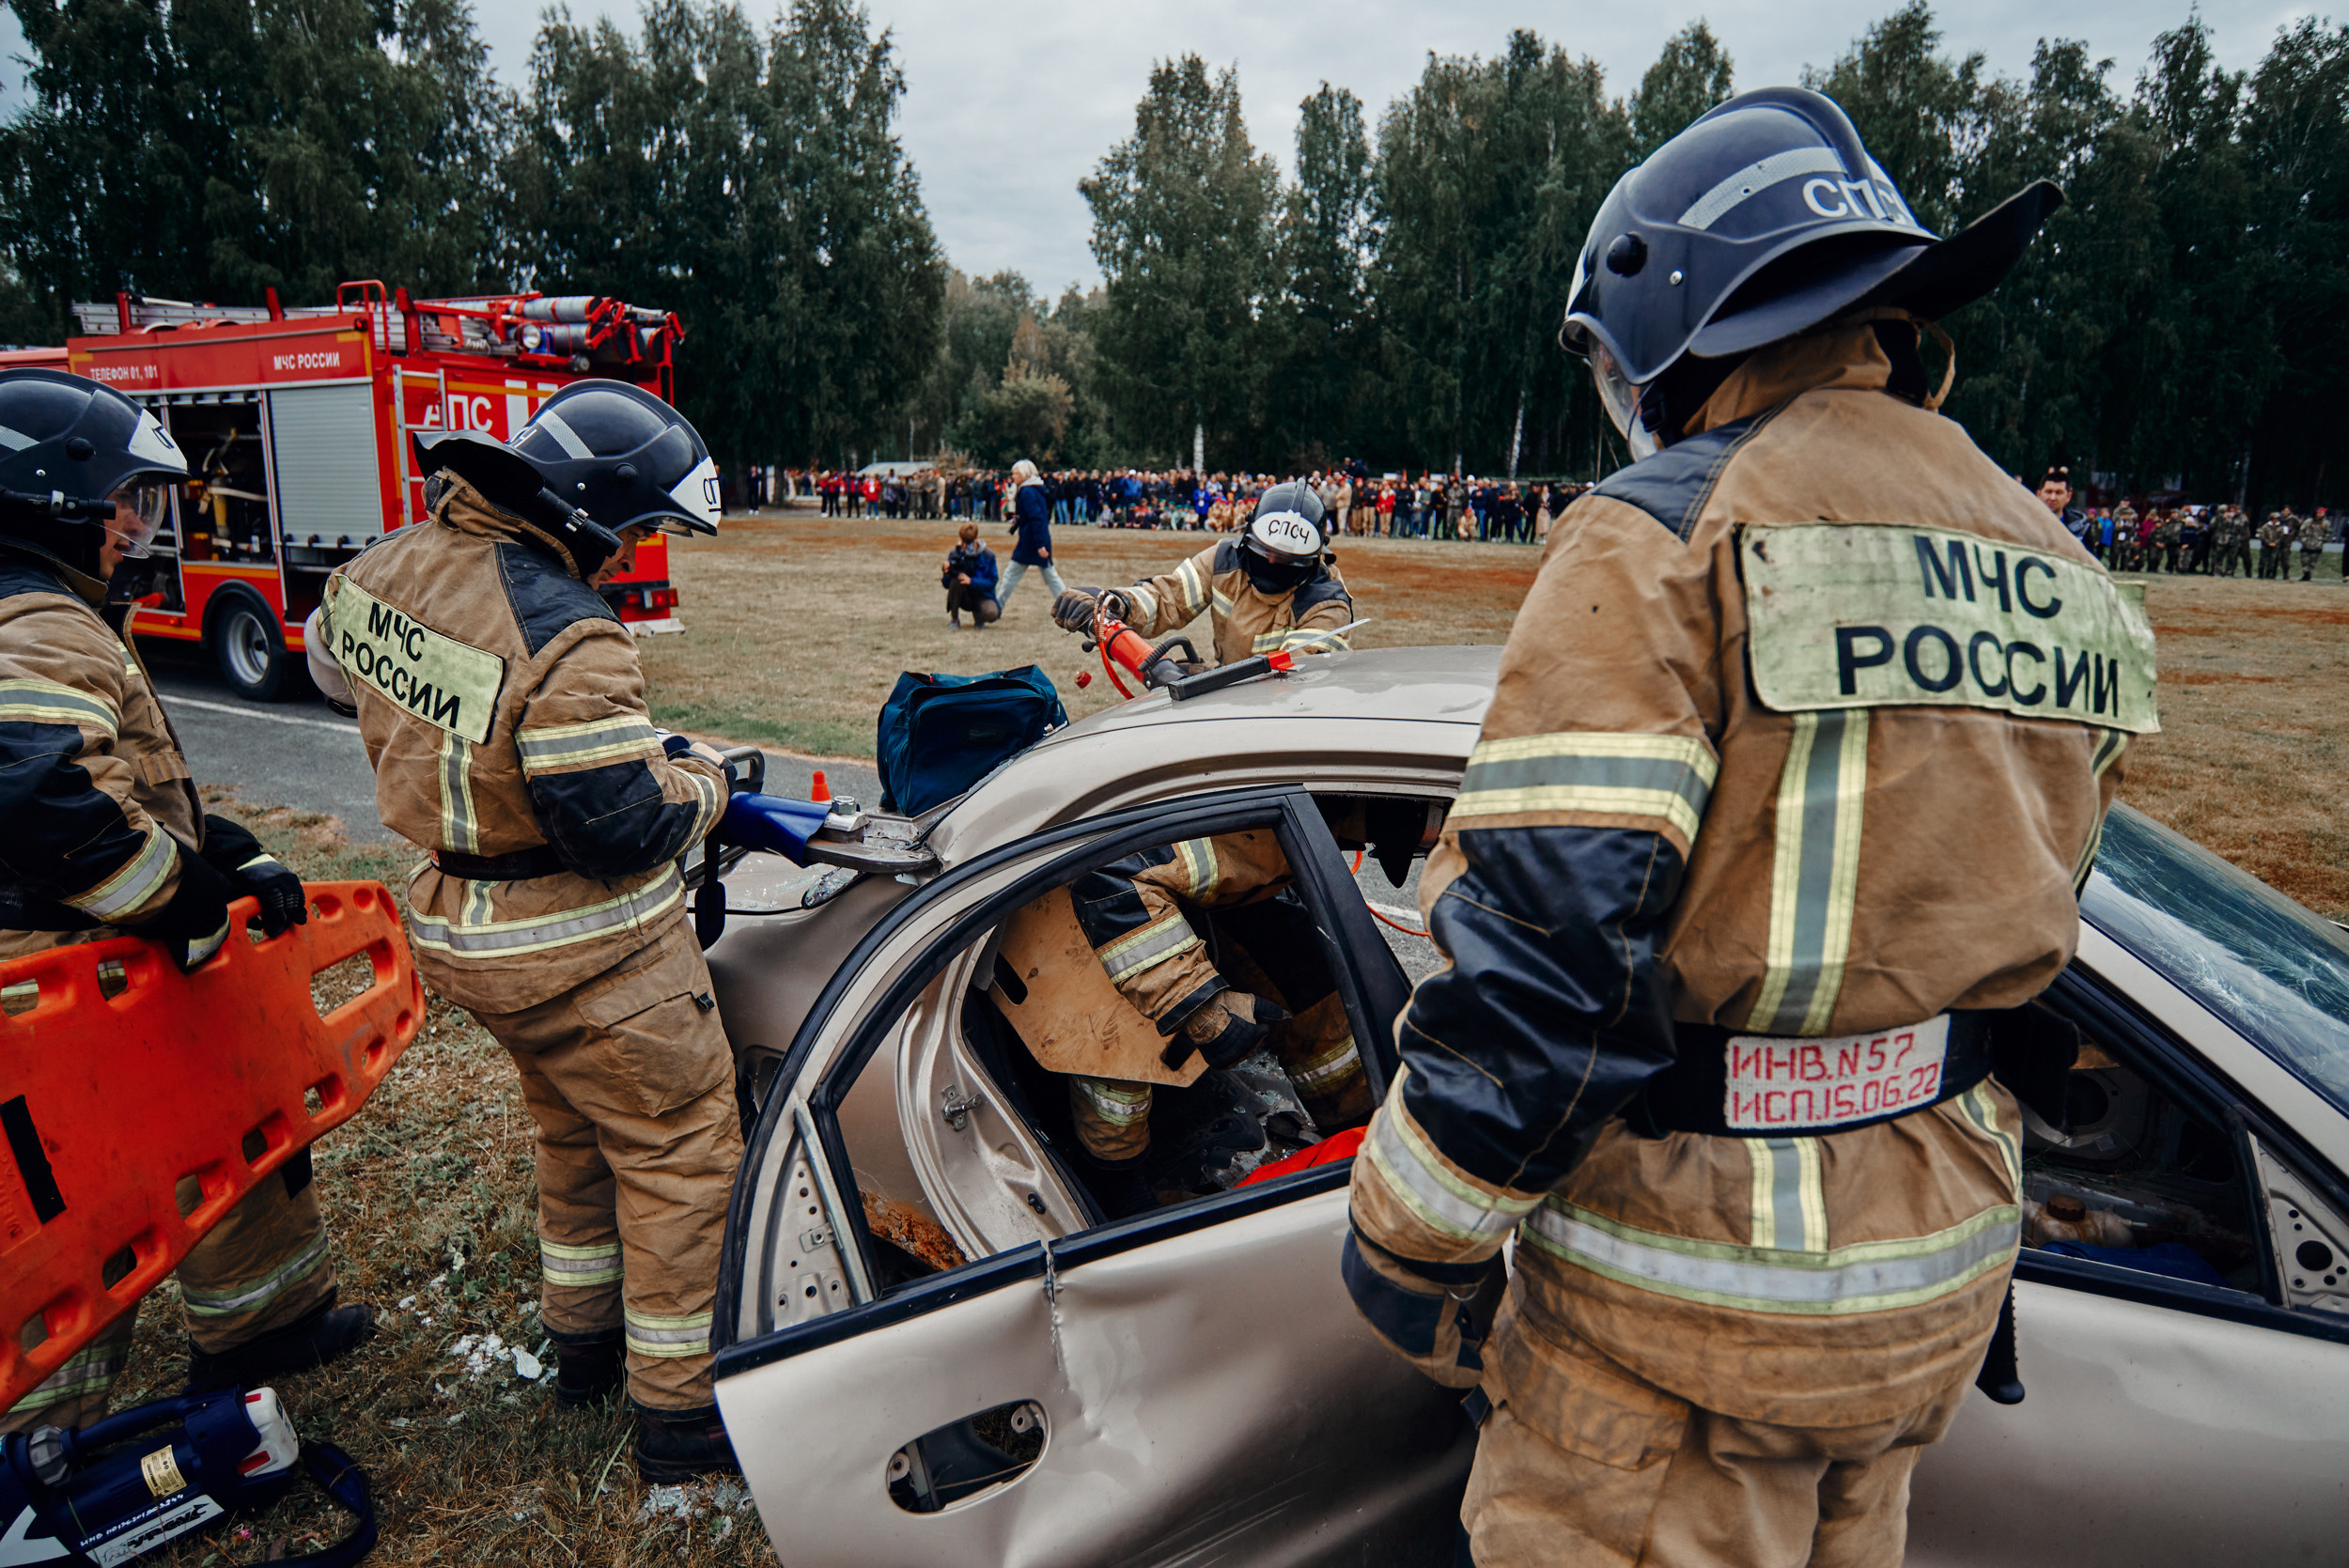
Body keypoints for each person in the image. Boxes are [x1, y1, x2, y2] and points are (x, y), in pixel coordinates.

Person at [1343, 87, 2152, 1565]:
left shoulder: (1659, 538)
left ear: (1679, 323)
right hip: (1933, 1293)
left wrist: (1406, 1237)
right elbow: (2041, 915)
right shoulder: (2063, 570)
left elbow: (1546, 970)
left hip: (1682, 1334)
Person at [304, 380, 742, 1483]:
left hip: (461, 926)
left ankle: (584, 1345)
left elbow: (329, 664)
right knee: (678, 1147)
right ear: (592, 509)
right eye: (640, 526)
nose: (636, 549)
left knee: (572, 1130)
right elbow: (623, 824)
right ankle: (683, 1413)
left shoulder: (381, 569)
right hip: (585, 949)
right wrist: (705, 782)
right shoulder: (573, 634)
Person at [0, 368, 372, 1433]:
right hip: (59, 982)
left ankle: (265, 1323)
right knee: (75, 1205)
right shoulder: (38, 622)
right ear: (51, 495)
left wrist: (226, 850)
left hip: (103, 967)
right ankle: (39, 1445)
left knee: (230, 1120)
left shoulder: (48, 610)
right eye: (122, 499)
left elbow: (117, 781)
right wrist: (183, 896)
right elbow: (45, 801)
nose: (134, 525)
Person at [997, 458, 1064, 610]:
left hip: (1031, 542)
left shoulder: (1027, 491)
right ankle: (1069, 606)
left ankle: (997, 607)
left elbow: (1037, 518)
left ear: (1024, 474)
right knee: (1051, 578)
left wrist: (1040, 545)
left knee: (1010, 576)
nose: (1012, 477)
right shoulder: (1034, 488)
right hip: (1036, 540)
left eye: (1015, 474)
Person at [942, 520, 999, 629]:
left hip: (982, 595)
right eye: (964, 541)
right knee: (956, 581)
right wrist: (947, 572)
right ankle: (954, 619)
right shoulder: (955, 553)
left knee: (992, 613)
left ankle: (979, 618)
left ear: (976, 538)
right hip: (964, 596)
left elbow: (992, 581)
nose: (966, 545)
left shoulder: (988, 555)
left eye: (969, 542)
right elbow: (946, 585)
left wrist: (971, 581)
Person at [2259, 509, 2292, 579]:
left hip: (2275, 546)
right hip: (2265, 546)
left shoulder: (2281, 528)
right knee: (2263, 560)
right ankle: (2260, 573)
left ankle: (2269, 573)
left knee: (2272, 560)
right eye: (2274, 519)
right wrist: (2268, 542)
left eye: (2277, 519)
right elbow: (2262, 535)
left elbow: (2281, 537)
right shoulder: (2265, 526)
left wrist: (2275, 543)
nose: (2275, 520)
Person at [2299, 506, 2329, 581]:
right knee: (2304, 560)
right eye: (2320, 513)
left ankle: (2308, 574)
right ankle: (2305, 572)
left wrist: (2323, 540)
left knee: (2313, 562)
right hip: (2306, 544)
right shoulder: (2308, 521)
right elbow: (2301, 531)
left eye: (2323, 513)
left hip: (2317, 545)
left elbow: (2329, 533)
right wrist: (2303, 539)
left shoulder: (2326, 523)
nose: (2321, 514)